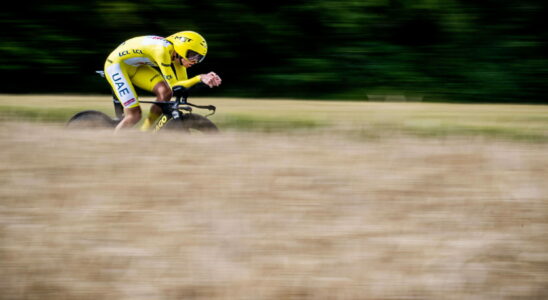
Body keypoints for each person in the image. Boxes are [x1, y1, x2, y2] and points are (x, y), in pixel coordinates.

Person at [103, 31, 222, 131]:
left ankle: (144, 133)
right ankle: (113, 145)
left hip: (135, 66)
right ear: (181, 49)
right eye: (193, 56)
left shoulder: (177, 56)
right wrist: (200, 77)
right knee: (134, 115)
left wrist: (205, 80)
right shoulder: (162, 51)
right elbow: (175, 85)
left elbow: (181, 85)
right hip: (116, 66)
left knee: (165, 92)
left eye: (199, 58)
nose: (194, 61)